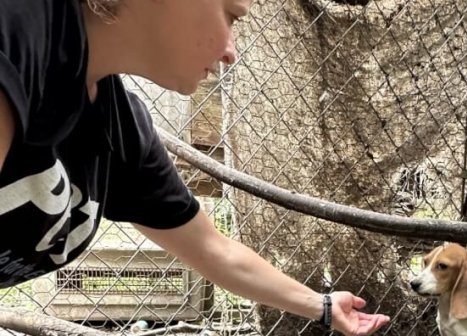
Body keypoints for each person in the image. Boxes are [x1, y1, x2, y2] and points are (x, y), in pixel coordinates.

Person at [0, 0, 390, 335]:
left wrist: (322, 306)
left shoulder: (118, 127)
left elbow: (212, 249)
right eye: (231, 17)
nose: (231, 51)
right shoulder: (18, 32)